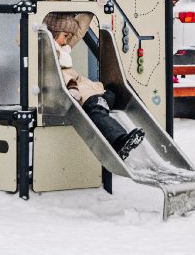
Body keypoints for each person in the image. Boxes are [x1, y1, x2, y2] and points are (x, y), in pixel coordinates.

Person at [42, 10, 145, 160]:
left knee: (109, 96)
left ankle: (102, 102)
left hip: (85, 88)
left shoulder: (62, 46)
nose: (67, 41)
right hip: (72, 92)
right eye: (65, 36)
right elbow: (57, 79)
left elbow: (79, 31)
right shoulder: (46, 53)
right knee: (95, 109)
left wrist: (90, 7)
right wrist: (72, 88)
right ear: (52, 34)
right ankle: (118, 140)